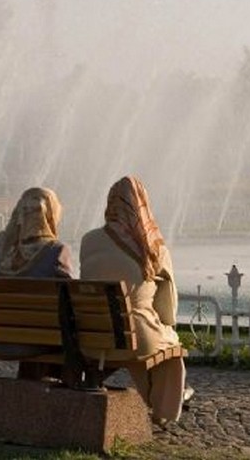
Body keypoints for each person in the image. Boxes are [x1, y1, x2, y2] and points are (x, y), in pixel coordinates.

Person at [79, 175, 192, 425]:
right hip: (135, 335)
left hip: (91, 335)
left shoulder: (89, 240)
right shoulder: (154, 247)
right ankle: (164, 411)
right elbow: (167, 303)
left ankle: (154, 398)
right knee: (168, 348)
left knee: (135, 336)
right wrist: (166, 325)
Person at [0, 187, 73, 379]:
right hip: (37, 340)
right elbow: (71, 300)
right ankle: (63, 394)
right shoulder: (55, 251)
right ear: (50, 214)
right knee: (68, 329)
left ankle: (30, 388)